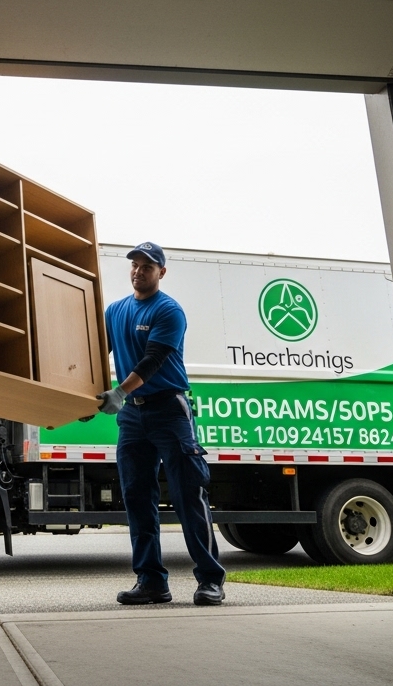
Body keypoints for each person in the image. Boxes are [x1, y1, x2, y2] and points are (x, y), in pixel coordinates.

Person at [96, 242, 226, 606]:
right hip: (132, 416)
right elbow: (93, 355)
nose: (138, 271)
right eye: (134, 265)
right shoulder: (115, 311)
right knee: (137, 497)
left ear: (161, 272)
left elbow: (153, 359)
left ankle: (211, 580)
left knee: (188, 495)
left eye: (147, 266)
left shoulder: (169, 310)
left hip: (169, 411)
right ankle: (152, 582)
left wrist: (118, 390)